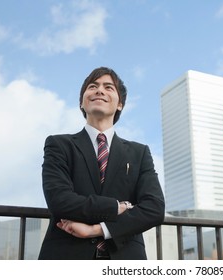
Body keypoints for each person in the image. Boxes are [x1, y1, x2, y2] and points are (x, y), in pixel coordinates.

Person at [38, 66, 165, 260]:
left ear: (120, 104)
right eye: (93, 86)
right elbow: (59, 200)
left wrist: (96, 230)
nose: (99, 90)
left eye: (108, 87)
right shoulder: (58, 145)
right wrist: (116, 207)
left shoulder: (140, 153)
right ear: (82, 102)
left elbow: (154, 208)